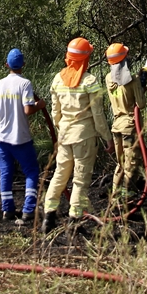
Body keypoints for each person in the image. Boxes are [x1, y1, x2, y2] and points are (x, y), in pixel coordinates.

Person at [43, 36, 112, 231]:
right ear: (86, 58)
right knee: (80, 179)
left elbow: (55, 113)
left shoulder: (58, 79)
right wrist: (107, 137)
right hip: (84, 137)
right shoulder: (90, 81)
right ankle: (75, 220)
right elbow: (98, 115)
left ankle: (48, 217)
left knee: (60, 175)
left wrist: (61, 129)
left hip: (65, 136)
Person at [0, 48, 47, 223]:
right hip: (20, 137)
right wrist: (40, 105)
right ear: (23, 64)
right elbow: (27, 109)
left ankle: (7, 210)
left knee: (5, 173)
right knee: (31, 171)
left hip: (2, 137)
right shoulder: (25, 84)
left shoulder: (0, 84)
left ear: (6, 65)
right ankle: (28, 210)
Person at [104, 42, 146, 202]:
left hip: (116, 126)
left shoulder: (108, 78)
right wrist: (141, 85)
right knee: (131, 164)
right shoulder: (133, 80)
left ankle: (114, 197)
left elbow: (120, 83)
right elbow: (140, 104)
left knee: (121, 164)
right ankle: (126, 198)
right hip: (129, 126)